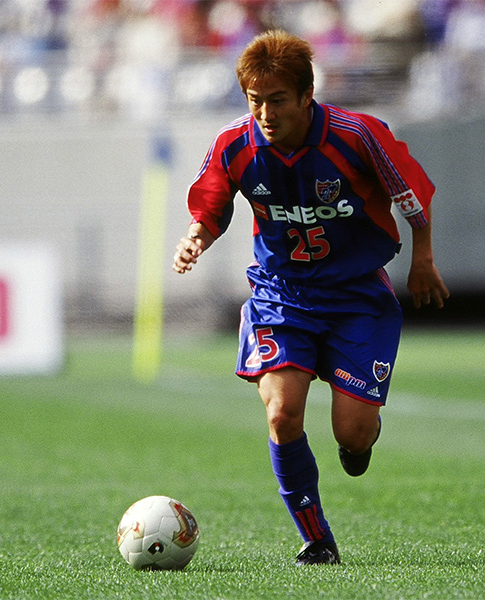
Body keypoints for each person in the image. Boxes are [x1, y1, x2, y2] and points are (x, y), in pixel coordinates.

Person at [173, 30, 448, 566]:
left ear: (305, 96)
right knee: (282, 413)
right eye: (255, 102)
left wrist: (424, 258)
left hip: (356, 295)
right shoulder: (234, 143)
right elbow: (211, 206)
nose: (266, 114)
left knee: (352, 433)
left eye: (277, 100)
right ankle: (316, 539)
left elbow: (410, 194)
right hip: (283, 294)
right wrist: (195, 237)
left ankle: (361, 437)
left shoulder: (357, 135)